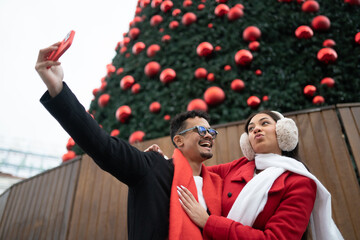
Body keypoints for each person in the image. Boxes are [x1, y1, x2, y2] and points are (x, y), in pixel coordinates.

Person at [35, 43, 223, 240]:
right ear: (179, 140)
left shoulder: (219, 186)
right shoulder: (153, 167)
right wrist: (57, 88)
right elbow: (103, 146)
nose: (209, 135)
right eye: (201, 130)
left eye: (211, 131)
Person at [149, 110, 344, 239]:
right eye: (250, 128)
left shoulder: (300, 183)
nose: (256, 129)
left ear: (285, 132)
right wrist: (164, 160)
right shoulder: (240, 166)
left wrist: (209, 222)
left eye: (264, 123)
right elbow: (194, 169)